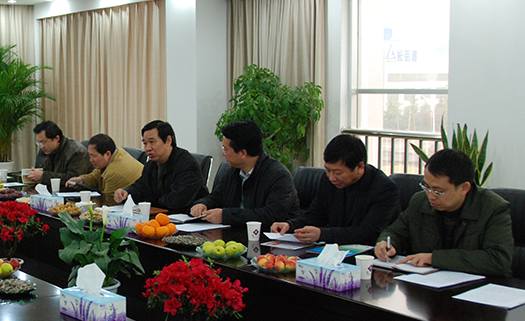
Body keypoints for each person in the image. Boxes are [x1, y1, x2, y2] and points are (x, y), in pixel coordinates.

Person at [375, 148, 513, 277]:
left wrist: (434, 258)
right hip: (426, 285)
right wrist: (386, 244)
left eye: (438, 191)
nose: (430, 196)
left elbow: (498, 260)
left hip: (478, 289)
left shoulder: (493, 208)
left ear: (464, 188)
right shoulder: (420, 202)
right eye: (426, 187)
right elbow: (396, 232)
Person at [271, 134, 399, 245]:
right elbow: (315, 215)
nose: (332, 178)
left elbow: (367, 233)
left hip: (370, 257)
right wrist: (290, 225)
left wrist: (321, 234)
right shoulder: (328, 181)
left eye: (338, 172)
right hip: (334, 253)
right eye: (327, 170)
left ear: (359, 167)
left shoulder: (385, 189)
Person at [190, 120, 300, 229]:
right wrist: (202, 204)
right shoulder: (232, 171)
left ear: (243, 153)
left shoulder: (278, 176)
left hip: (269, 239)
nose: (223, 154)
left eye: (226, 149)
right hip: (234, 236)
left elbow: (270, 216)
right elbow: (217, 197)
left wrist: (225, 216)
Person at [114, 120, 209, 214]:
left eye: (152, 142)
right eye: (145, 143)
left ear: (168, 141)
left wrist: (150, 201)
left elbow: (176, 201)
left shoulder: (187, 164)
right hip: (161, 217)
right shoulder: (151, 164)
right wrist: (126, 192)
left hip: (187, 219)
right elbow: (141, 188)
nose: (147, 148)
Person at [66, 133, 143, 206]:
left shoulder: (115, 172)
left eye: (94, 156)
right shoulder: (115, 153)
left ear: (107, 154)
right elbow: (96, 175)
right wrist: (81, 180)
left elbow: (107, 205)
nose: (90, 160)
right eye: (90, 155)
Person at [24, 121, 91, 186]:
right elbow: (46, 170)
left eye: (43, 142)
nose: (41, 147)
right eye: (39, 143)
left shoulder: (77, 152)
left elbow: (72, 180)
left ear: (57, 138)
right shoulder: (52, 150)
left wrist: (43, 176)